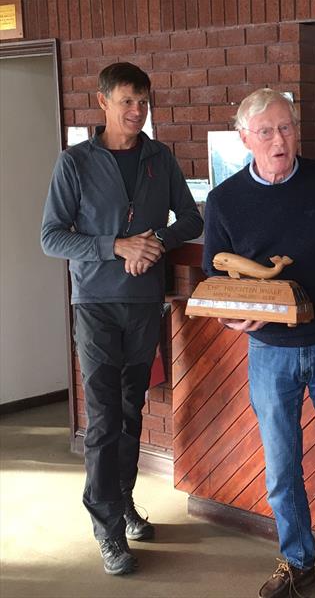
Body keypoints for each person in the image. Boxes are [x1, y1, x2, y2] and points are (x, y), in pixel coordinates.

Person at [202, 88, 315, 598]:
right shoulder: (226, 201)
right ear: (245, 139)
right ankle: (296, 560)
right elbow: (215, 277)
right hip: (269, 353)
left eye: (286, 128)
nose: (280, 140)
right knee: (281, 468)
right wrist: (233, 321)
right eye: (266, 132)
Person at [41, 62, 203, 575]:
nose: (138, 112)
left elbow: (192, 218)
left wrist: (155, 243)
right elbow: (51, 236)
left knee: (132, 412)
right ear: (103, 102)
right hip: (94, 305)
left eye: (144, 102)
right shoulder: (75, 163)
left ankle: (125, 501)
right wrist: (115, 246)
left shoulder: (160, 158)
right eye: (128, 101)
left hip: (142, 303)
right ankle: (107, 528)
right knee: (104, 419)